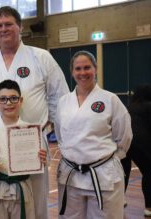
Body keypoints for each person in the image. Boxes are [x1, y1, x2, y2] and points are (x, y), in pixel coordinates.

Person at [0, 6, 69, 218]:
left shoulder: (41, 58)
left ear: (20, 27)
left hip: (30, 143)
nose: (4, 29)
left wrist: (50, 129)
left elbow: (59, 99)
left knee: (35, 200)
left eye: (9, 24)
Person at [54, 50, 132, 219]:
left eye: (87, 67)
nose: (83, 73)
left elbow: (124, 137)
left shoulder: (110, 100)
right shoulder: (63, 102)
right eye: (78, 68)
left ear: (95, 69)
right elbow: (60, 136)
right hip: (71, 175)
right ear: (72, 72)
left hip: (103, 175)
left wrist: (108, 159)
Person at [0, 79, 47, 219]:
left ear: (20, 100)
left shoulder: (32, 130)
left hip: (22, 189)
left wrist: (42, 159)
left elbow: (43, 164)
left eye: (13, 98)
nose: (8, 103)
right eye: (3, 99)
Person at [126, 84, 151, 217]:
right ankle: (149, 207)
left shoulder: (128, 107)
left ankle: (120, 200)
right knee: (149, 172)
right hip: (141, 143)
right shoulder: (148, 106)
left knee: (123, 173)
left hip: (124, 142)